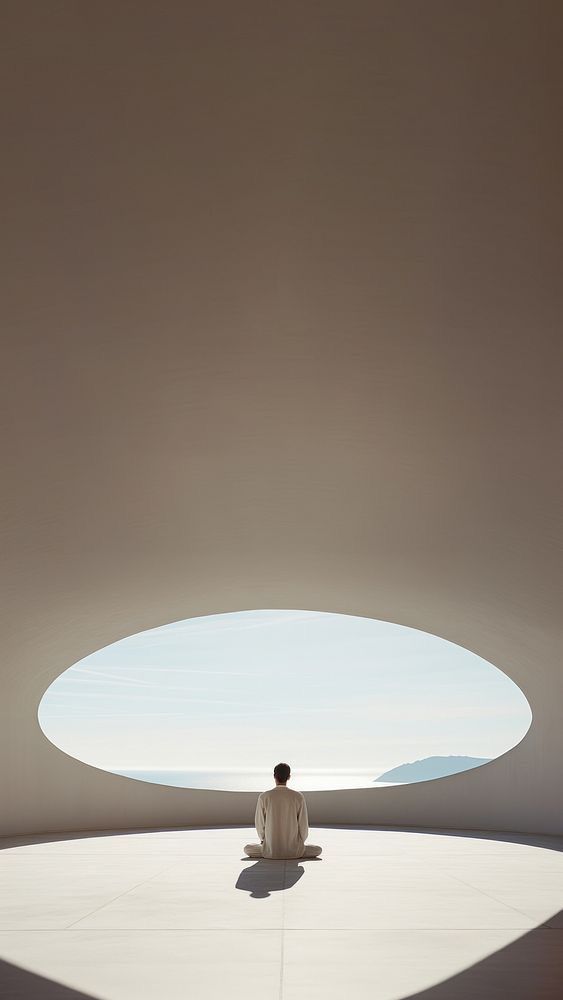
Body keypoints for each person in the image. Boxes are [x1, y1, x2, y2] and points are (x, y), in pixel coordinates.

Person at [243, 763, 322, 860]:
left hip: (271, 850)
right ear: (289, 777)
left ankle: (270, 850)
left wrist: (263, 840)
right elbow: (303, 824)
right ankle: (293, 851)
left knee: (247, 849)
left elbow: (259, 823)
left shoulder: (264, 796)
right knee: (318, 850)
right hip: (294, 850)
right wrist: (301, 842)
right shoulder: (298, 796)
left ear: (274, 776)